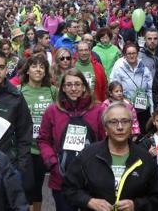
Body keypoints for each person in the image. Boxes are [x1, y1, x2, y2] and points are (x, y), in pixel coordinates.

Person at [62, 102, 158, 210]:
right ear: (105, 127)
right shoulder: (88, 155)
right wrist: (89, 201)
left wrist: (136, 205)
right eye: (113, 122)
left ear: (131, 125)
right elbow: (69, 188)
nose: (120, 127)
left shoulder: (145, 158)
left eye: (125, 121)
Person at [37, 68, 106, 211]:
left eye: (77, 84)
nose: (73, 88)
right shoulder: (52, 111)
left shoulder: (98, 110)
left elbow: (104, 140)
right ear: (62, 87)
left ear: (84, 87)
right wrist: (53, 163)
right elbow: (43, 140)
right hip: (61, 179)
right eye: (69, 85)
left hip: (91, 179)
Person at [19, 55, 56, 210]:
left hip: (43, 147)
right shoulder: (20, 91)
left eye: (42, 66)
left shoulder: (52, 90)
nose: (38, 69)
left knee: (38, 186)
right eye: (34, 66)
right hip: (26, 147)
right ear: (27, 70)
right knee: (26, 185)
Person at [110, 42, 154, 130]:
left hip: (143, 109)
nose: (131, 56)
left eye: (134, 53)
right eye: (129, 53)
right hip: (126, 109)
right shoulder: (119, 68)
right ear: (124, 55)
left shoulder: (144, 68)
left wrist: (152, 109)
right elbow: (114, 88)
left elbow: (150, 90)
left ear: (137, 54)